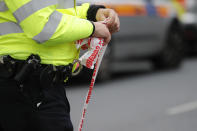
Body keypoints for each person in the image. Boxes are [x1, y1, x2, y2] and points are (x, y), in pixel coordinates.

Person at [0, 0, 120, 131]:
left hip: (33, 84)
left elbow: (57, 10)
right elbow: (42, 25)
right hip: (26, 86)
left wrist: (92, 13)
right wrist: (92, 28)